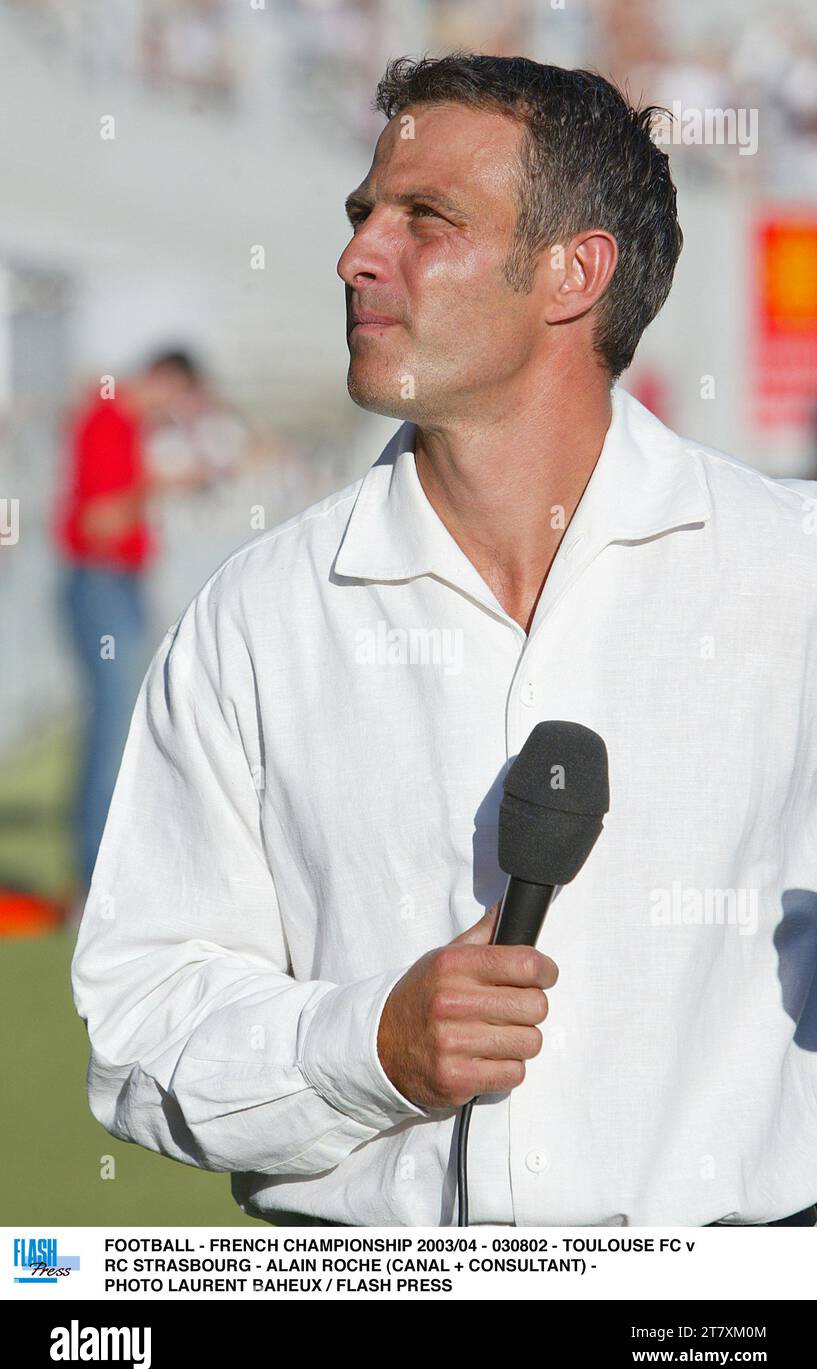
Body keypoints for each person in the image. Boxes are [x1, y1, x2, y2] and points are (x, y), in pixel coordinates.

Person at [71, 56, 817, 1228]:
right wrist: (369, 1044)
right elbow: (138, 1026)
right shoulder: (256, 615)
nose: (357, 255)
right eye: (365, 213)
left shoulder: (793, 570)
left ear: (576, 272)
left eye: (427, 218)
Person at [54, 349, 209, 899]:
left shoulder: (118, 418)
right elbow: (100, 522)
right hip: (102, 585)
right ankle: (94, 878)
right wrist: (159, 481)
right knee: (112, 728)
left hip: (116, 585)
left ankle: (102, 872)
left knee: (118, 725)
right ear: (168, 381)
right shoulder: (109, 418)